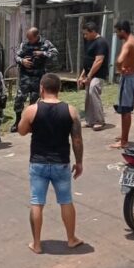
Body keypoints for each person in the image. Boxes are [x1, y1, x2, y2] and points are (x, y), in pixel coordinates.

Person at [18, 72, 84, 255]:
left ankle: (37, 244)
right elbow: (77, 140)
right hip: (61, 163)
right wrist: (79, 163)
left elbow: (21, 131)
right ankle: (71, 239)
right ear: (59, 90)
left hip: (38, 163)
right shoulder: (71, 111)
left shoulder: (32, 110)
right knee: (66, 201)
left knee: (37, 202)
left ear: (42, 88)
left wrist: (32, 124)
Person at [11, 27, 58, 132]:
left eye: (31, 38)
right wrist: (22, 61)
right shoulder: (24, 44)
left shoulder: (45, 43)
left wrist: (43, 53)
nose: (29, 40)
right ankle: (18, 121)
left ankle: (32, 123)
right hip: (25, 77)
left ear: (37, 36)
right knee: (19, 99)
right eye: (27, 38)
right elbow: (16, 56)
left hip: (38, 77)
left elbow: (55, 54)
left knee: (34, 101)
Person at [110, 20, 134, 149]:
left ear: (122, 30)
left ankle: (124, 141)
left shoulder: (127, 44)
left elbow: (119, 60)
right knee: (127, 108)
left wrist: (119, 68)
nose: (116, 34)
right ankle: (124, 136)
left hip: (128, 78)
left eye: (117, 31)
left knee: (125, 110)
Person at [77, 22, 110, 130]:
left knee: (93, 91)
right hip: (89, 74)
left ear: (93, 32)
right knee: (88, 96)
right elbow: (88, 60)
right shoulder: (89, 41)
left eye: (86, 34)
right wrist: (82, 75)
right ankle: (90, 120)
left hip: (98, 74)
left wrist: (89, 76)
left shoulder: (101, 42)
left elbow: (98, 61)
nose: (84, 36)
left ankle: (99, 120)